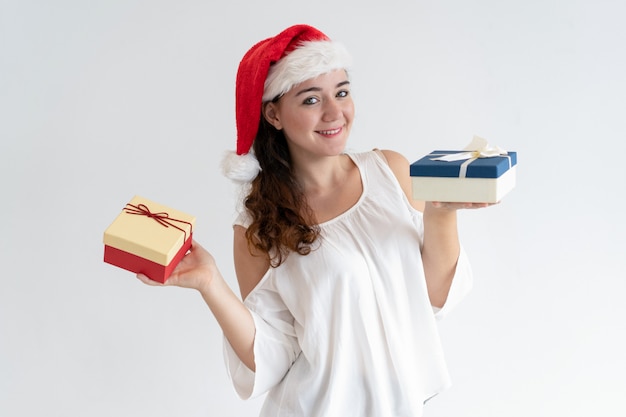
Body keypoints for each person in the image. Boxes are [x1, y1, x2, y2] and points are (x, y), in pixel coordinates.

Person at [138, 24, 492, 416]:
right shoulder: (259, 225)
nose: (334, 112)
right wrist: (210, 283)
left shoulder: (392, 171)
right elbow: (270, 354)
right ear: (273, 114)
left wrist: (442, 213)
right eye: (310, 100)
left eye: (341, 92)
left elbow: (434, 296)